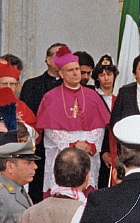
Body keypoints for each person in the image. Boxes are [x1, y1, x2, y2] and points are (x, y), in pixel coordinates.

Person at [35, 47, 112, 194]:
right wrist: (74, 144)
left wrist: (89, 144)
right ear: (61, 74)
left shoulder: (92, 95)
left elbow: (99, 127)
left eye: (77, 69)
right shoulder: (50, 97)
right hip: (61, 152)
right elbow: (51, 131)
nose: (76, 73)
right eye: (71, 70)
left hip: (87, 152)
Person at [20, 43, 67, 204]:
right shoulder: (32, 85)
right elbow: (29, 116)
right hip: (40, 147)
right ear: (48, 59)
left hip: (64, 146)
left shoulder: (72, 87)